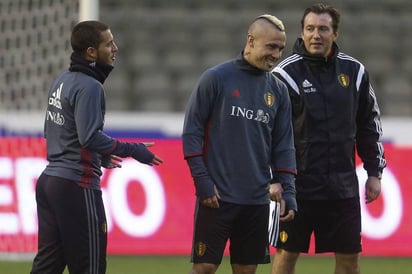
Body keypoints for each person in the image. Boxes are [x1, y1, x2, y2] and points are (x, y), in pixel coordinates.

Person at [30, 20, 163, 274]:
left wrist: (100, 156)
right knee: (90, 267)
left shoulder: (62, 80)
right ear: (91, 52)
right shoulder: (90, 86)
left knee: (47, 266)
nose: (115, 48)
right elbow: (89, 137)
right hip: (76, 186)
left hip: (50, 183)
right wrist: (134, 150)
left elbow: (55, 132)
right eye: (108, 43)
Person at [270, 4, 387, 274]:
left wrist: (374, 172)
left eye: (323, 29)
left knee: (349, 261)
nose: (316, 35)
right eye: (310, 29)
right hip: (295, 188)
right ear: (302, 32)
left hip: (342, 188)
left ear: (335, 33)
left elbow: (369, 124)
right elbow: (269, 134)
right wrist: (273, 178)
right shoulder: (284, 75)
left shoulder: (354, 71)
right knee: (286, 256)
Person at [182, 14, 297, 274]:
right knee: (204, 268)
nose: (277, 54)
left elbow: (284, 145)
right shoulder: (216, 78)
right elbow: (192, 133)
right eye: (271, 46)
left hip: (257, 200)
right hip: (217, 197)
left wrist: (288, 189)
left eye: (280, 48)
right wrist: (202, 182)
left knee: (246, 270)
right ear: (251, 41)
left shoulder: (278, 91)